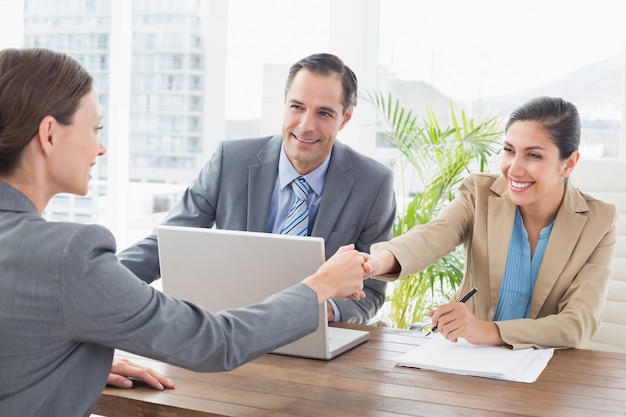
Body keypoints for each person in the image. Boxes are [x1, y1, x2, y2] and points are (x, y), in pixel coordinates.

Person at [0, 47, 370, 417]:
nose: (101, 147)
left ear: (344, 118)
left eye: (323, 112)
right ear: (49, 134)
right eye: (95, 128)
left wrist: (75, 356)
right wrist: (320, 285)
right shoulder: (69, 256)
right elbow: (216, 342)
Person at [118, 53, 396, 324]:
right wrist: (97, 280)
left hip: (315, 333)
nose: (306, 125)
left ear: (345, 118)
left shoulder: (373, 184)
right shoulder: (231, 161)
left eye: (324, 113)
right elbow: (165, 245)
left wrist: (326, 310)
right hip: (231, 328)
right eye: (297, 107)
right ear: (285, 105)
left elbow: (370, 293)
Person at [365, 96, 617, 350]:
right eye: (509, 150)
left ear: (569, 163)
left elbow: (578, 323)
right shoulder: (481, 193)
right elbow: (432, 236)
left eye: (533, 155)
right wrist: (373, 263)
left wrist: (488, 331)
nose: (514, 169)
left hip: (545, 372)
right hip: (469, 357)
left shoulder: (598, 221)